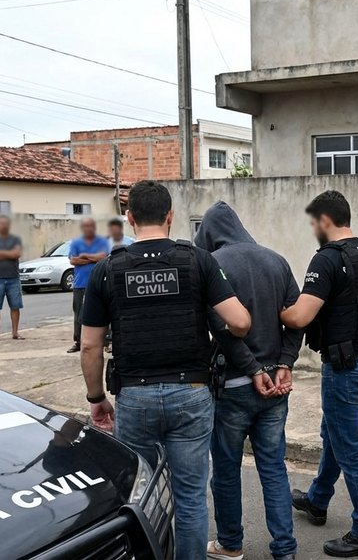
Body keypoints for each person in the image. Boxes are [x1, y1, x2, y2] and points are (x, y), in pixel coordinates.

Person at [79, 181, 251, 560]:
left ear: (129, 218)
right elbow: (240, 322)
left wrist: (96, 398)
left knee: (138, 495)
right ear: (170, 216)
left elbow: (90, 345)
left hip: (134, 396)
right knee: (190, 496)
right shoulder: (198, 261)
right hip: (191, 393)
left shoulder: (107, 269)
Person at [282, 190, 358, 558]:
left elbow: (301, 317)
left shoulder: (327, 259)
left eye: (314, 223)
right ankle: (318, 500)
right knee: (336, 433)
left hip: (345, 369)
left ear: (324, 220)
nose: (314, 229)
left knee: (353, 451)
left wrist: (272, 306)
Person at [194, 201, 302, 560]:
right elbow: (298, 319)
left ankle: (230, 544)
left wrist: (253, 370)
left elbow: (220, 327)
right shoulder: (276, 260)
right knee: (273, 469)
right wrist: (284, 363)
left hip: (233, 387)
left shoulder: (212, 265)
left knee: (226, 471)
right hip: (276, 387)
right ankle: (285, 549)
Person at [67, 218, 109, 353]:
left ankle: (106, 341)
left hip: (99, 283)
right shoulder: (76, 242)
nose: (88, 228)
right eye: (85, 226)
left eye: (91, 226)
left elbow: (104, 257)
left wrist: (85, 255)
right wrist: (93, 258)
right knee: (79, 313)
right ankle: (78, 341)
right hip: (80, 284)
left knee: (104, 312)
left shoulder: (102, 241)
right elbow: (73, 260)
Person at [0, 215, 24, 342]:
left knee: (15, 306)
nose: (4, 226)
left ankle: (15, 332)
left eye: (6, 224)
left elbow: (17, 254)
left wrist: (0, 253)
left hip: (13, 278)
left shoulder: (15, 239)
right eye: (1, 224)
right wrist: (9, 253)